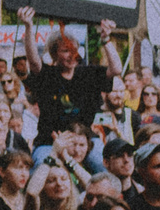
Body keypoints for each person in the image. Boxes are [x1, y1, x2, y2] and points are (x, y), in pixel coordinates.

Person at [19, 10, 116, 149]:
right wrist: (29, 26)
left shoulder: (88, 73)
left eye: (74, 50)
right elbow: (34, 62)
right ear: (54, 54)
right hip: (49, 143)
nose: (72, 55)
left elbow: (116, 69)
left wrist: (106, 39)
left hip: (85, 142)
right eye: (65, 51)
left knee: (102, 166)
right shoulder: (48, 75)